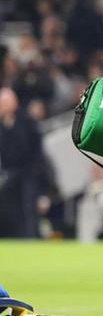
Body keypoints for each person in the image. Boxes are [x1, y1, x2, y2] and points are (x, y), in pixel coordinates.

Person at [0, 86, 55, 239]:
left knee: (29, 208)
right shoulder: (2, 125)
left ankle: (30, 239)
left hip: (29, 172)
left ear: (14, 102)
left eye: (4, 102)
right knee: (9, 207)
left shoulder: (26, 120)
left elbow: (32, 149)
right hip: (11, 174)